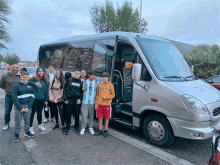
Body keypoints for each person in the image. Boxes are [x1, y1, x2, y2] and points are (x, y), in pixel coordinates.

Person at [12, 72, 35, 141]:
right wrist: (20, 107)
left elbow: (32, 97)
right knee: (18, 121)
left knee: (27, 120)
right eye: (23, 77)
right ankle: (16, 133)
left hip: (27, 106)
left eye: (26, 77)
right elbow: (14, 97)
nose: (25, 79)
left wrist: (29, 107)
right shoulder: (16, 86)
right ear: (20, 77)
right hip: (19, 106)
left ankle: (27, 131)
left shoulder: (30, 86)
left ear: (28, 78)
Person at [29, 68, 48, 134]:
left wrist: (46, 99)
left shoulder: (45, 80)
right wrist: (34, 83)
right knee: (32, 113)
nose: (40, 72)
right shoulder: (33, 78)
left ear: (43, 72)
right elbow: (28, 81)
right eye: (39, 71)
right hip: (34, 99)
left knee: (39, 113)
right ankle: (30, 127)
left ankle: (40, 125)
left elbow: (46, 91)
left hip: (42, 99)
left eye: (42, 71)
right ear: (37, 72)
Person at [95, 72, 115, 138]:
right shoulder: (100, 85)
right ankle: (100, 129)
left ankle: (105, 130)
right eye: (103, 77)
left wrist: (107, 97)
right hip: (100, 104)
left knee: (106, 118)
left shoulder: (111, 85)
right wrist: (96, 103)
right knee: (100, 117)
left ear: (108, 78)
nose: (104, 78)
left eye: (105, 77)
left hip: (107, 104)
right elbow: (97, 95)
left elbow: (113, 95)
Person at [0, 64, 20, 130]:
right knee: (7, 111)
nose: (15, 68)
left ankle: (17, 124)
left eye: (17, 67)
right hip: (9, 96)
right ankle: (6, 123)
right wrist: (7, 89)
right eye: (13, 67)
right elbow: (1, 85)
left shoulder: (20, 76)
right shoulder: (5, 76)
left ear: (18, 68)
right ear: (11, 68)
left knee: (18, 112)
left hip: (18, 97)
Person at [63, 69, 83, 135]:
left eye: (78, 73)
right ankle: (67, 128)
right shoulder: (69, 80)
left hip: (76, 100)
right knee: (68, 114)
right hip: (69, 100)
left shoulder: (81, 82)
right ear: (74, 73)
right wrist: (65, 99)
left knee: (76, 115)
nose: (77, 74)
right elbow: (65, 89)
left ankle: (77, 128)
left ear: (80, 75)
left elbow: (82, 92)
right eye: (76, 73)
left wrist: (80, 99)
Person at [80, 70, 99, 135]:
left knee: (91, 116)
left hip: (92, 102)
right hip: (85, 101)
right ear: (89, 75)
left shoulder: (97, 82)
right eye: (92, 75)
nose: (94, 76)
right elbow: (83, 92)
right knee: (84, 115)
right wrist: (83, 99)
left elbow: (97, 93)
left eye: (94, 75)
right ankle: (83, 128)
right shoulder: (85, 82)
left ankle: (91, 127)